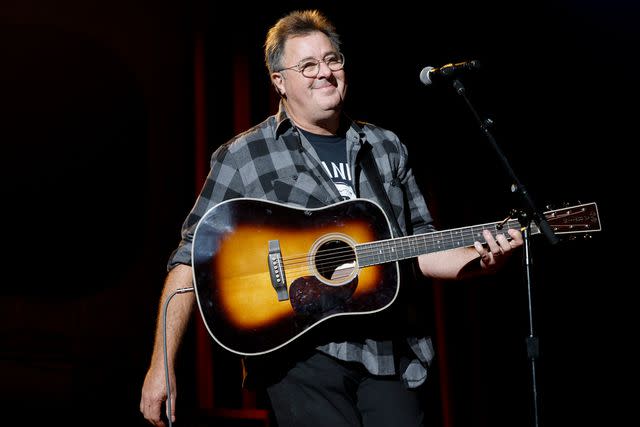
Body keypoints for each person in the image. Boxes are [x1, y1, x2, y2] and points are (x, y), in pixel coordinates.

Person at [140, 9, 523, 427]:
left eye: (332, 60)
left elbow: (419, 247)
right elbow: (188, 260)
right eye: (307, 65)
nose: (325, 72)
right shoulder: (244, 155)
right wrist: (161, 365)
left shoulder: (385, 147)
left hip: (388, 353)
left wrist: (480, 259)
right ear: (279, 82)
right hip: (298, 356)